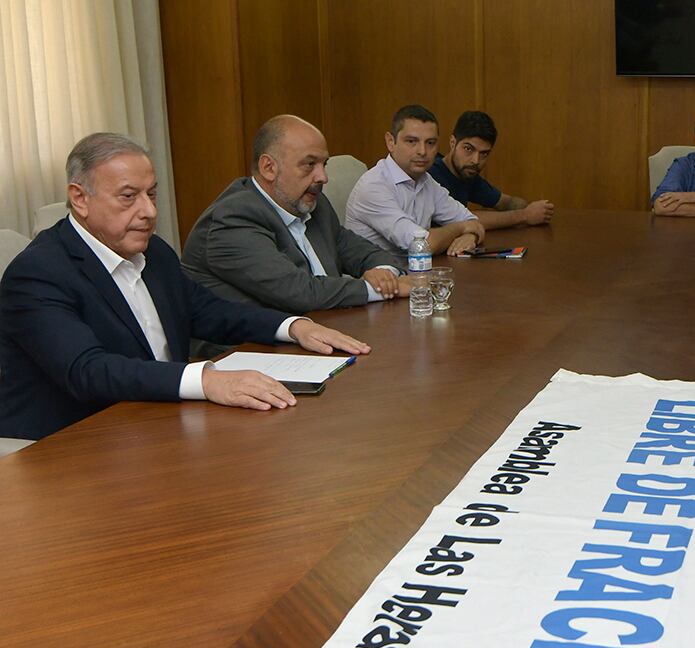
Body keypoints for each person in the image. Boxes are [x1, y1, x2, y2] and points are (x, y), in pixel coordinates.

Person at [0, 133, 369, 441]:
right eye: (129, 197)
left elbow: (207, 311)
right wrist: (205, 380)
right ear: (80, 198)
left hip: (155, 421)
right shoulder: (38, 272)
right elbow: (88, 371)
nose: (148, 212)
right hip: (67, 445)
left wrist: (292, 326)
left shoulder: (152, 250)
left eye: (152, 194)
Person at [182, 115, 408, 315]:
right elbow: (298, 293)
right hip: (248, 351)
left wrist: (383, 273)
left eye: (324, 164)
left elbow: (364, 252)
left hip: (324, 329)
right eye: (309, 164)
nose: (323, 177)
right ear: (268, 168)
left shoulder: (312, 203)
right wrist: (386, 288)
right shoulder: (233, 219)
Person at [345, 104, 485, 257]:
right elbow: (420, 246)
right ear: (390, 142)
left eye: (430, 143)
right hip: (378, 277)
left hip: (415, 273)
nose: (422, 151)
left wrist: (470, 235)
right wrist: (461, 228)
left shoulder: (426, 181)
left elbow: (473, 221)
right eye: (412, 141)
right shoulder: (373, 186)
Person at [430, 110, 554, 230]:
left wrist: (532, 208)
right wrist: (525, 215)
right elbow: (465, 218)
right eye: (468, 149)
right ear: (453, 143)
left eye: (484, 153)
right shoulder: (431, 174)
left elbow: (506, 202)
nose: (476, 160)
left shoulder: (467, 173)